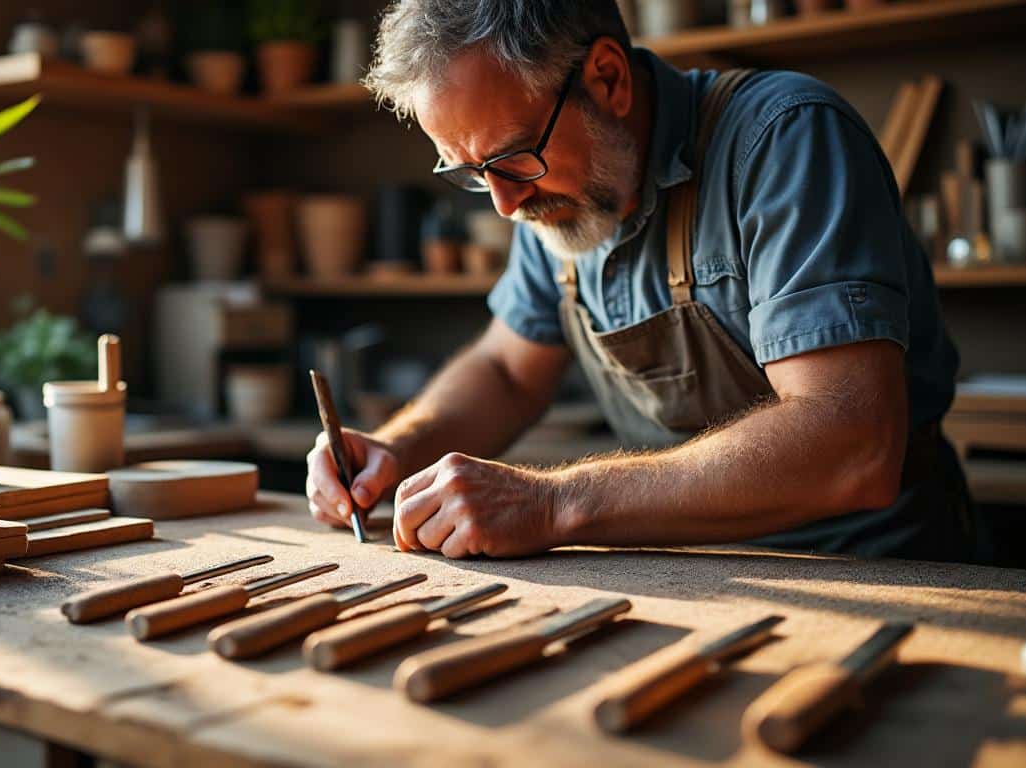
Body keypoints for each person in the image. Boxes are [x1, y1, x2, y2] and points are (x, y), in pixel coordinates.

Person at [306, 0, 970, 561]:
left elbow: (848, 443)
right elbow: (507, 370)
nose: (504, 205)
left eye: (512, 159)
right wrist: (396, 448)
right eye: (471, 173)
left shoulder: (783, 139)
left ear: (607, 79)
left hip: (876, 567)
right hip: (692, 569)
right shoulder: (554, 201)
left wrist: (553, 503)